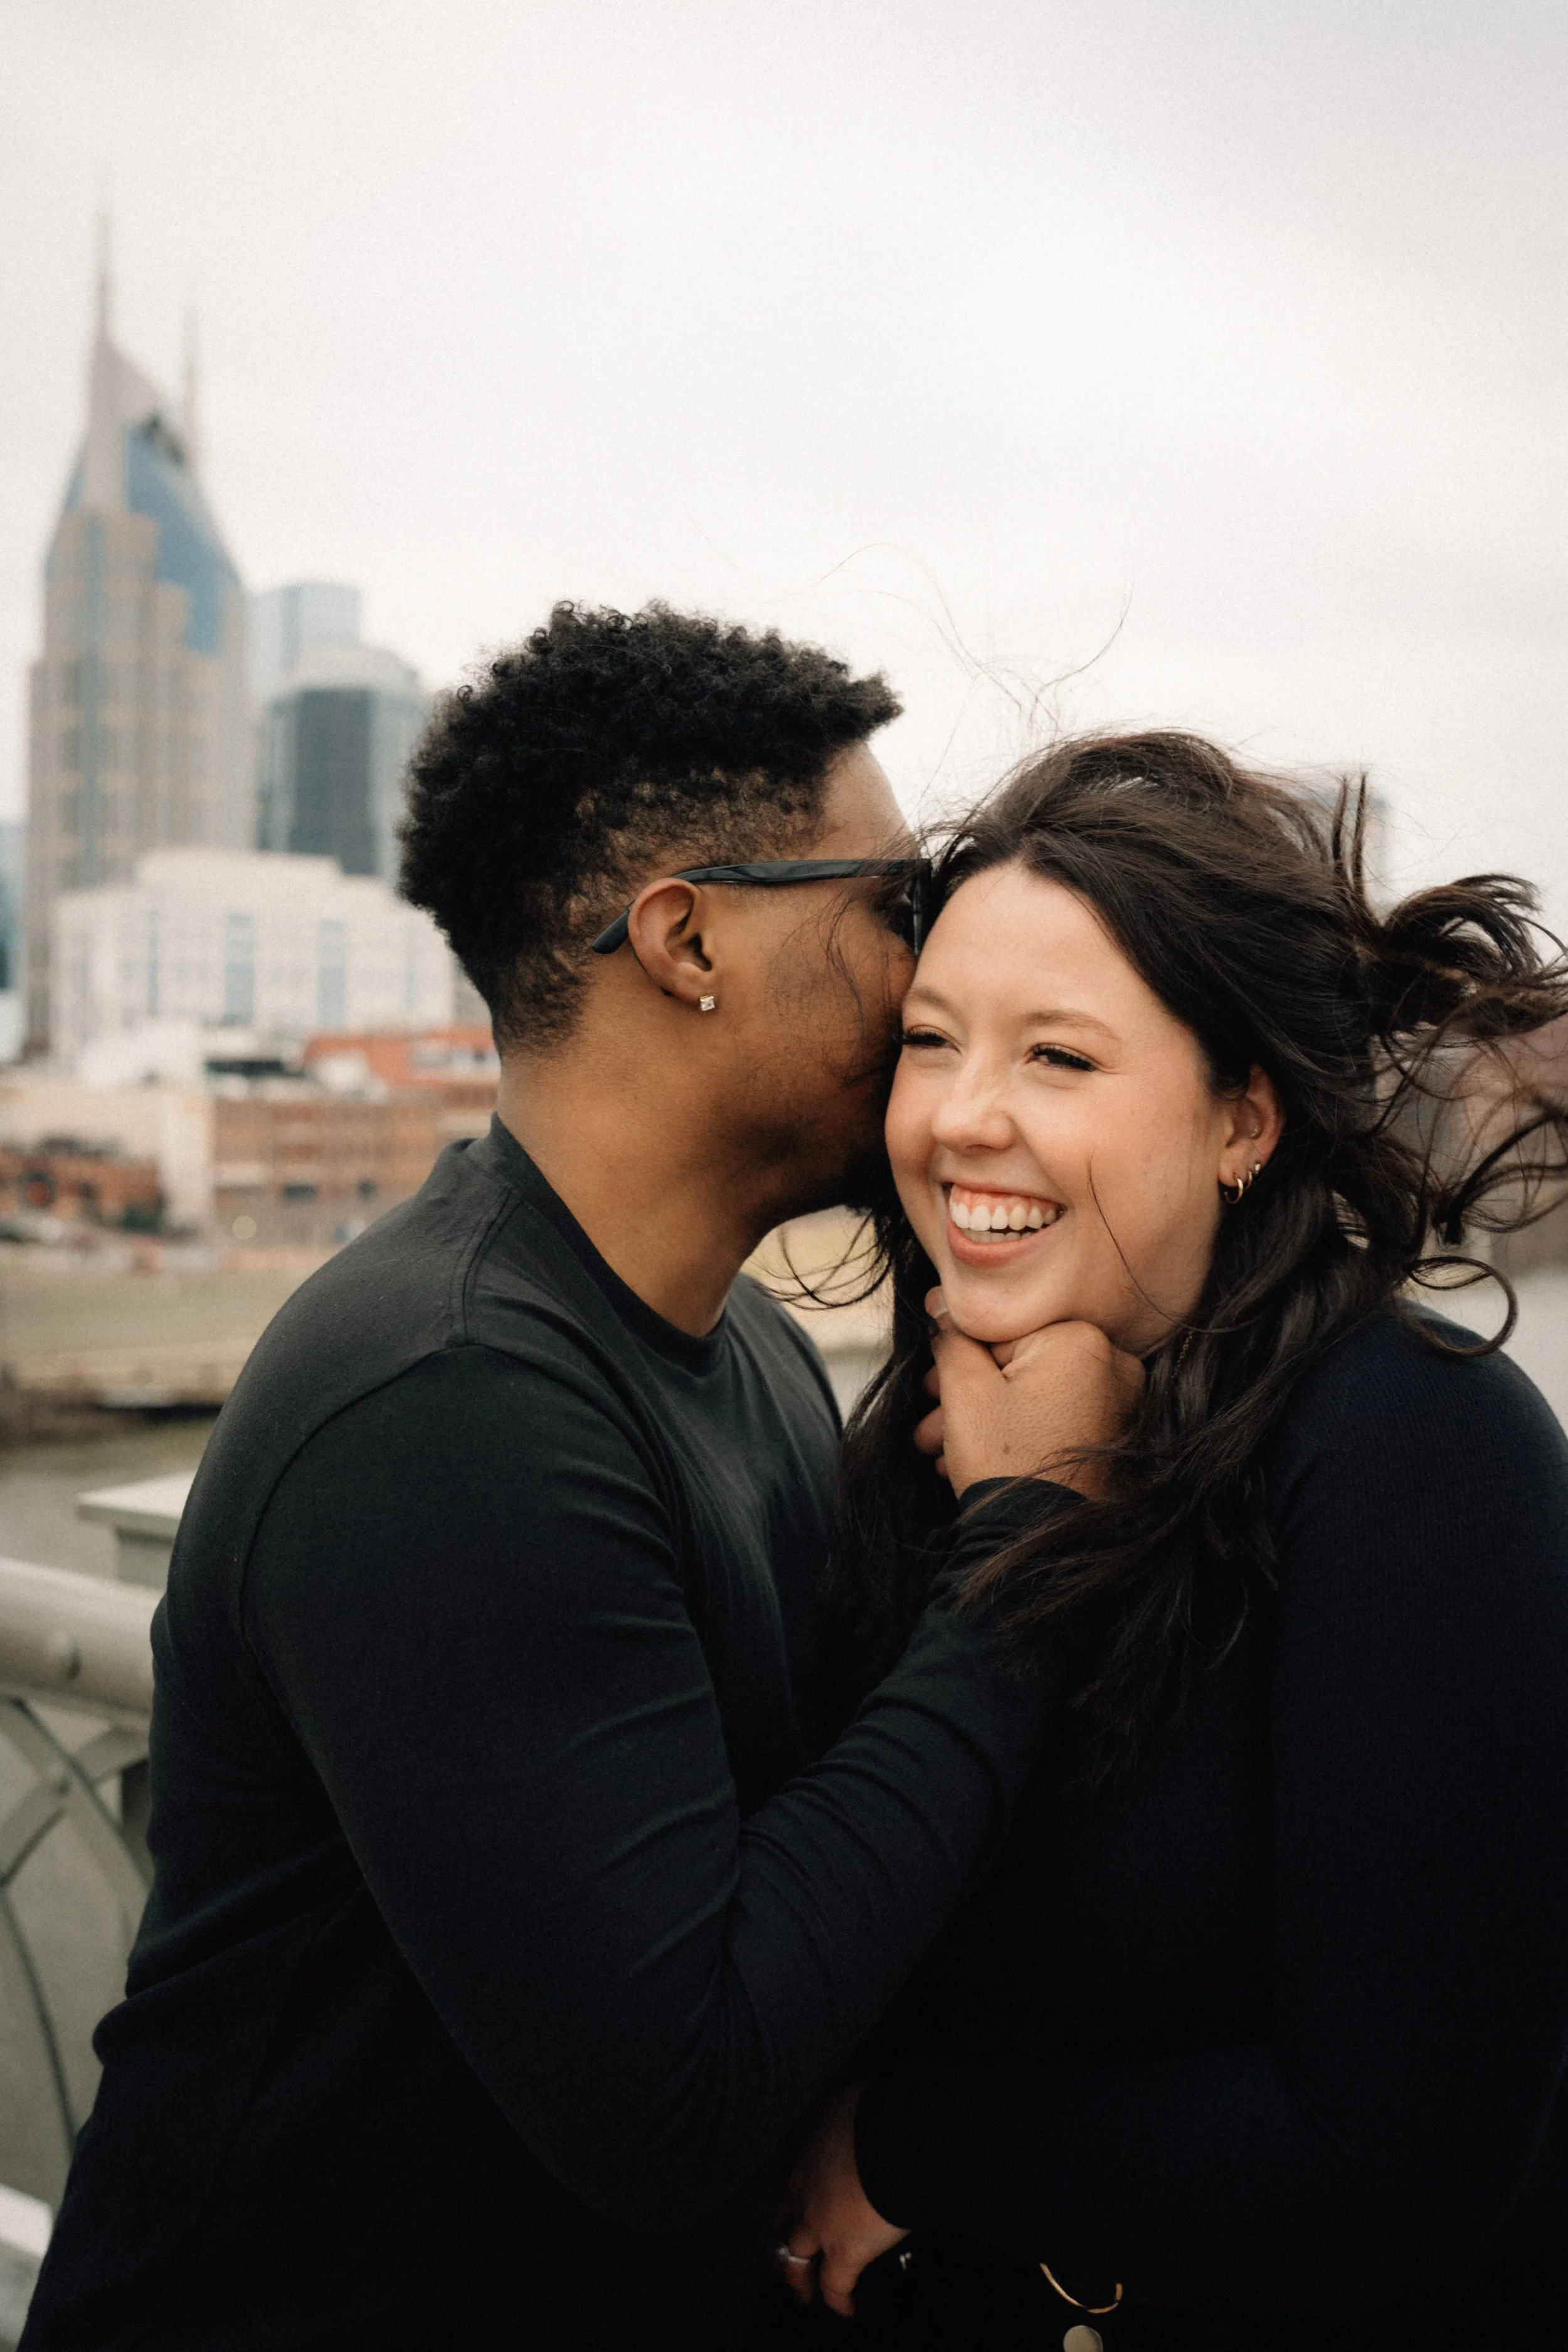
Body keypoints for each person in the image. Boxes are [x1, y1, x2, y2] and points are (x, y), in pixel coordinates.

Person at [21, 608, 1133, 2352]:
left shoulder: (741, 1350)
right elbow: (673, 2097)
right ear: (684, 936)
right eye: (896, 908)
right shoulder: (449, 1400)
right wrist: (1033, 1522)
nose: (929, 975)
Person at [780, 731, 1568, 2350]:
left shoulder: (1416, 1455)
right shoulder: (914, 1435)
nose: (962, 1121)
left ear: (1243, 1120)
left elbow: (1409, 2158)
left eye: (1060, 1059)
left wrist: (905, 2147)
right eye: (933, 1043)